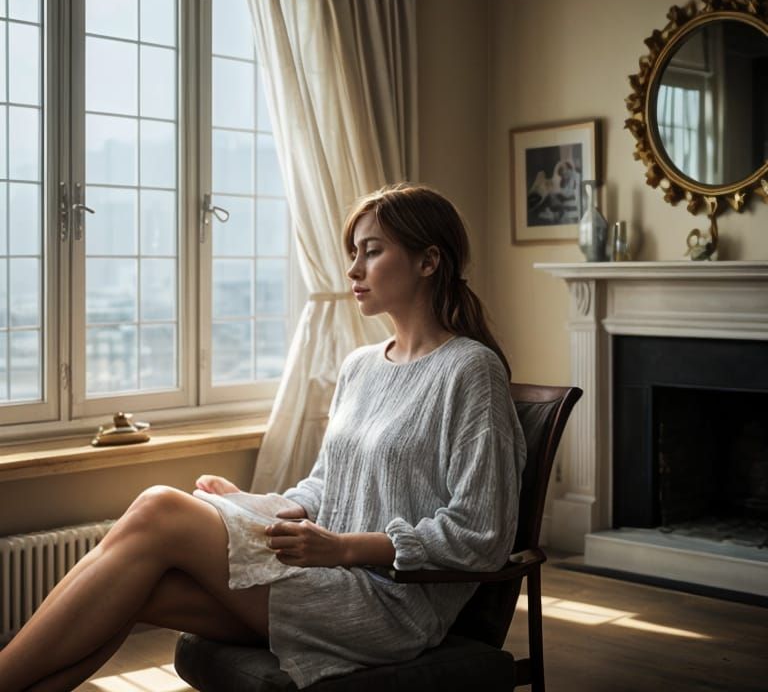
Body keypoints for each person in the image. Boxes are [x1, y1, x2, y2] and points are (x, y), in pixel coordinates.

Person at [0, 184, 526, 692]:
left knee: (159, 505)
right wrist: (249, 504)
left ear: (428, 261)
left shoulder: (470, 370)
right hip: (327, 576)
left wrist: (344, 549)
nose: (352, 269)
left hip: (391, 605)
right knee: (135, 589)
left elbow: (480, 534)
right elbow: (325, 488)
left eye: (371, 251)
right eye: (353, 252)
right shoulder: (361, 366)